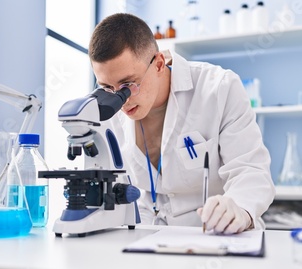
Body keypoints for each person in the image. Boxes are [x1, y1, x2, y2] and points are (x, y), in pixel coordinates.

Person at [88, 13, 275, 234]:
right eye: (107, 87)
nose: (121, 99)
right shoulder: (105, 111)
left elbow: (251, 170)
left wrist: (239, 208)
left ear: (158, 64)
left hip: (218, 236)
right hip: (145, 238)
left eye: (128, 84)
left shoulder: (219, 88)